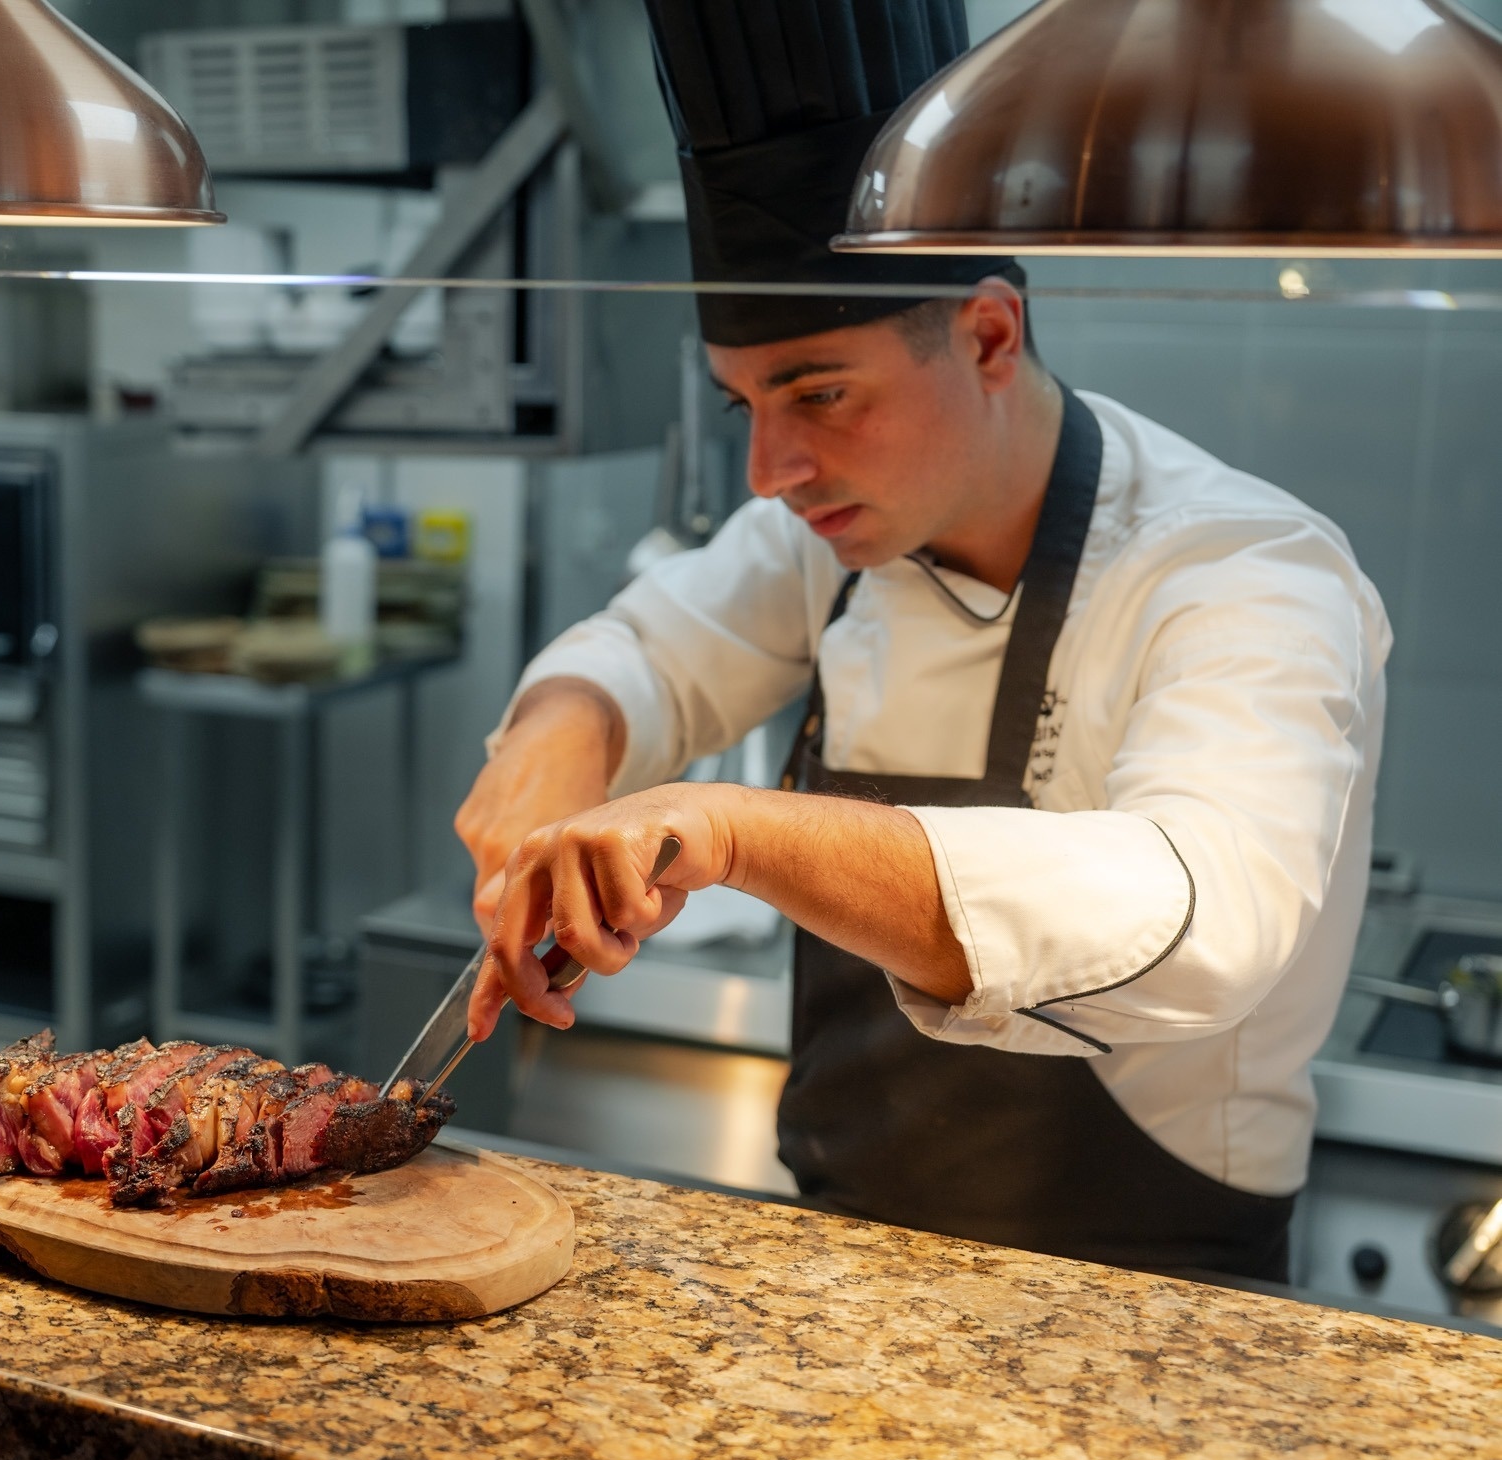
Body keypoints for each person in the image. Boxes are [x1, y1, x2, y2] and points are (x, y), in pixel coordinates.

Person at [453, 0, 1389, 1281]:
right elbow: (650, 648)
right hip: (838, 1273)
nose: (769, 469)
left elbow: (1205, 913)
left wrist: (732, 832)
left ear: (988, 336)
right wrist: (551, 755)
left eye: (817, 395)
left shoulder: (1241, 569)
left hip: (1151, 1312)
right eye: (740, 403)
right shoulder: (831, 535)